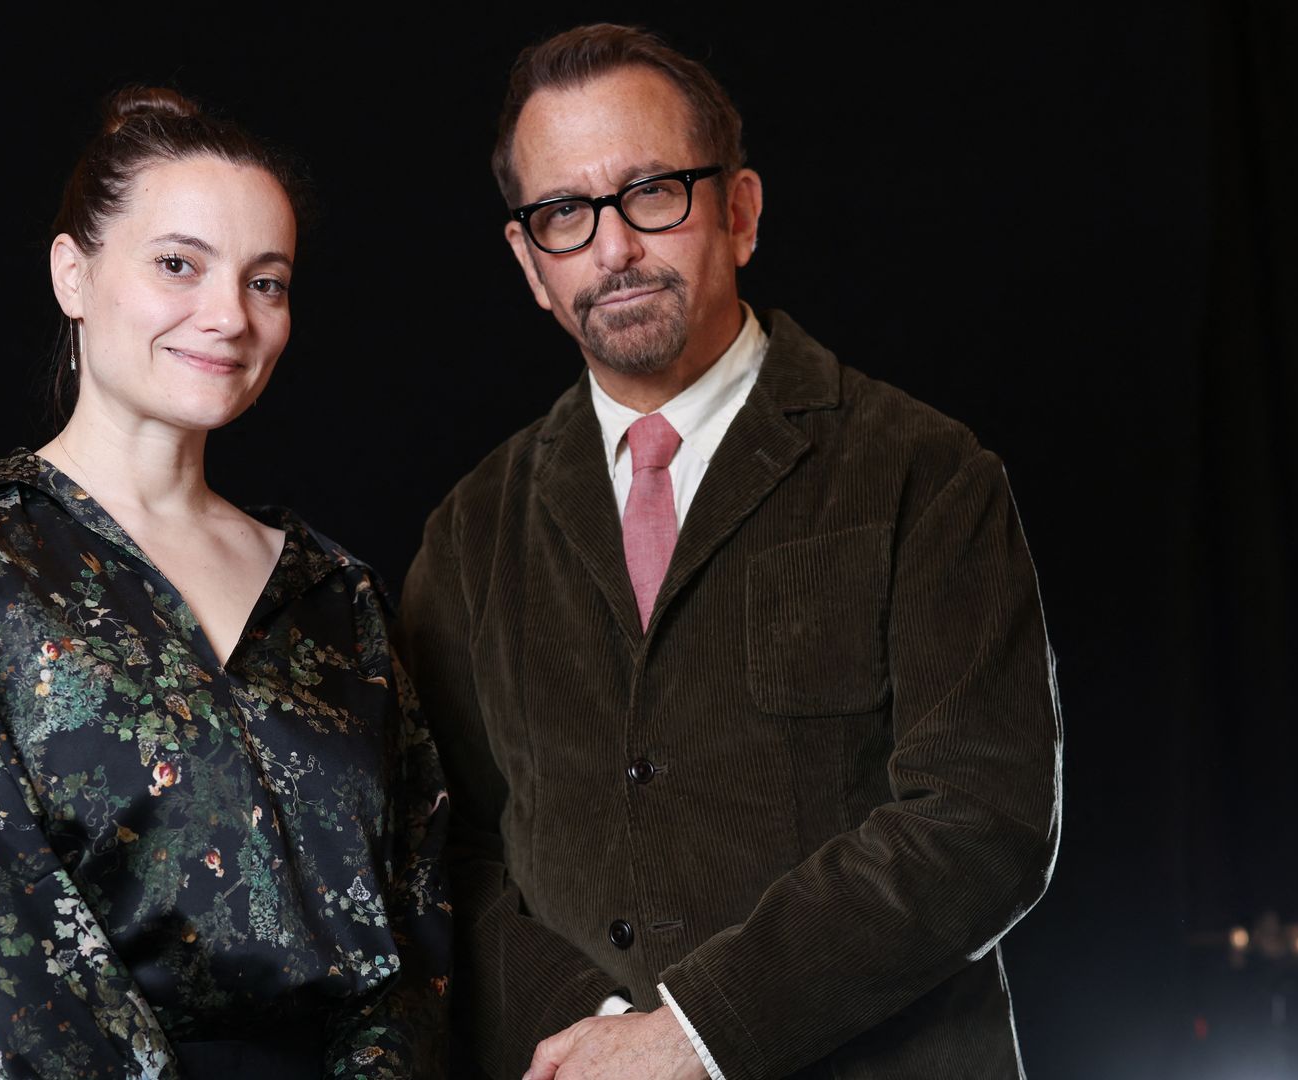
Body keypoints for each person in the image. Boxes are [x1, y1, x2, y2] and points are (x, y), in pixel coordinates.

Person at [395, 25, 1062, 1080]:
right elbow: (445, 854)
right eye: (565, 214)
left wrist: (693, 1038)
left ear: (740, 211)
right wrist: (601, 1034)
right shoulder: (473, 534)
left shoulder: (925, 473)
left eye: (652, 190)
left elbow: (981, 819)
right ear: (528, 262)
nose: (612, 249)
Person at [0, 87, 449, 1079]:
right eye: (180, 264)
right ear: (72, 275)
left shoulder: (340, 600)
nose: (228, 316)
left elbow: (414, 936)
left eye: (268, 282)